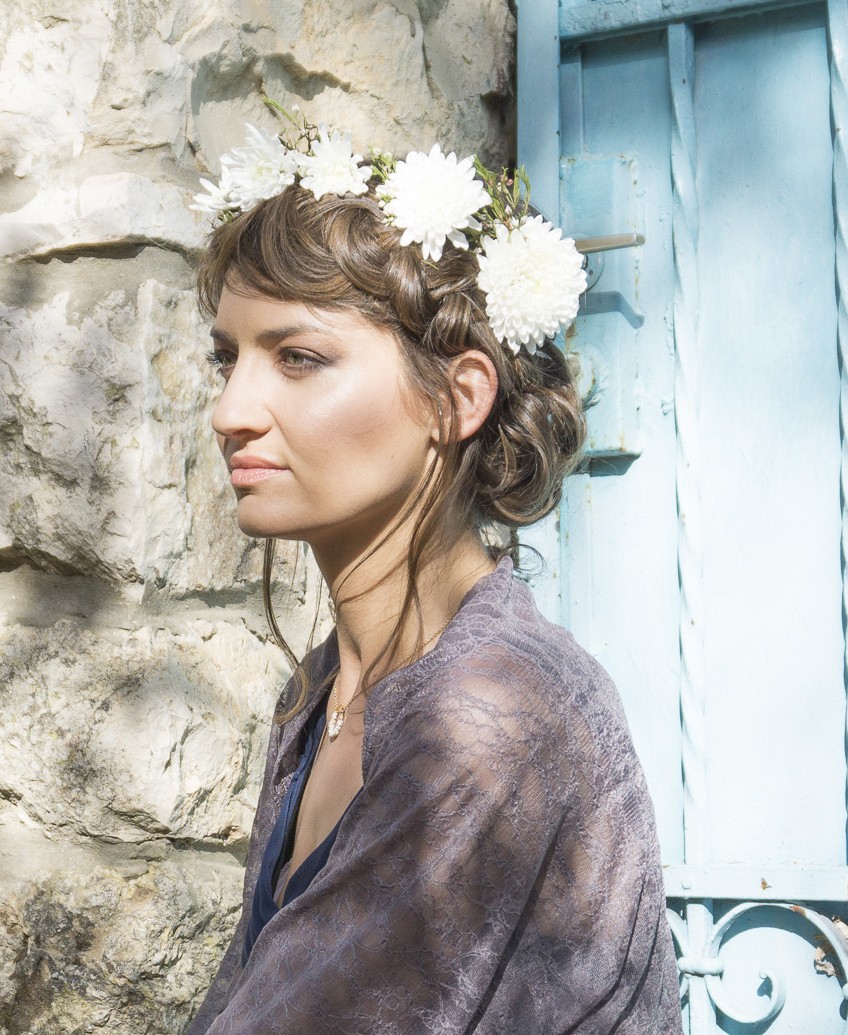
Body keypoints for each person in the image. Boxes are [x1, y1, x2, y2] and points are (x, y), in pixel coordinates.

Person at [185, 115, 682, 1034]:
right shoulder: (324, 689)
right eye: (228, 356)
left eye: (298, 358)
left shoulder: (494, 713)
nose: (230, 409)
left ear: (457, 397)